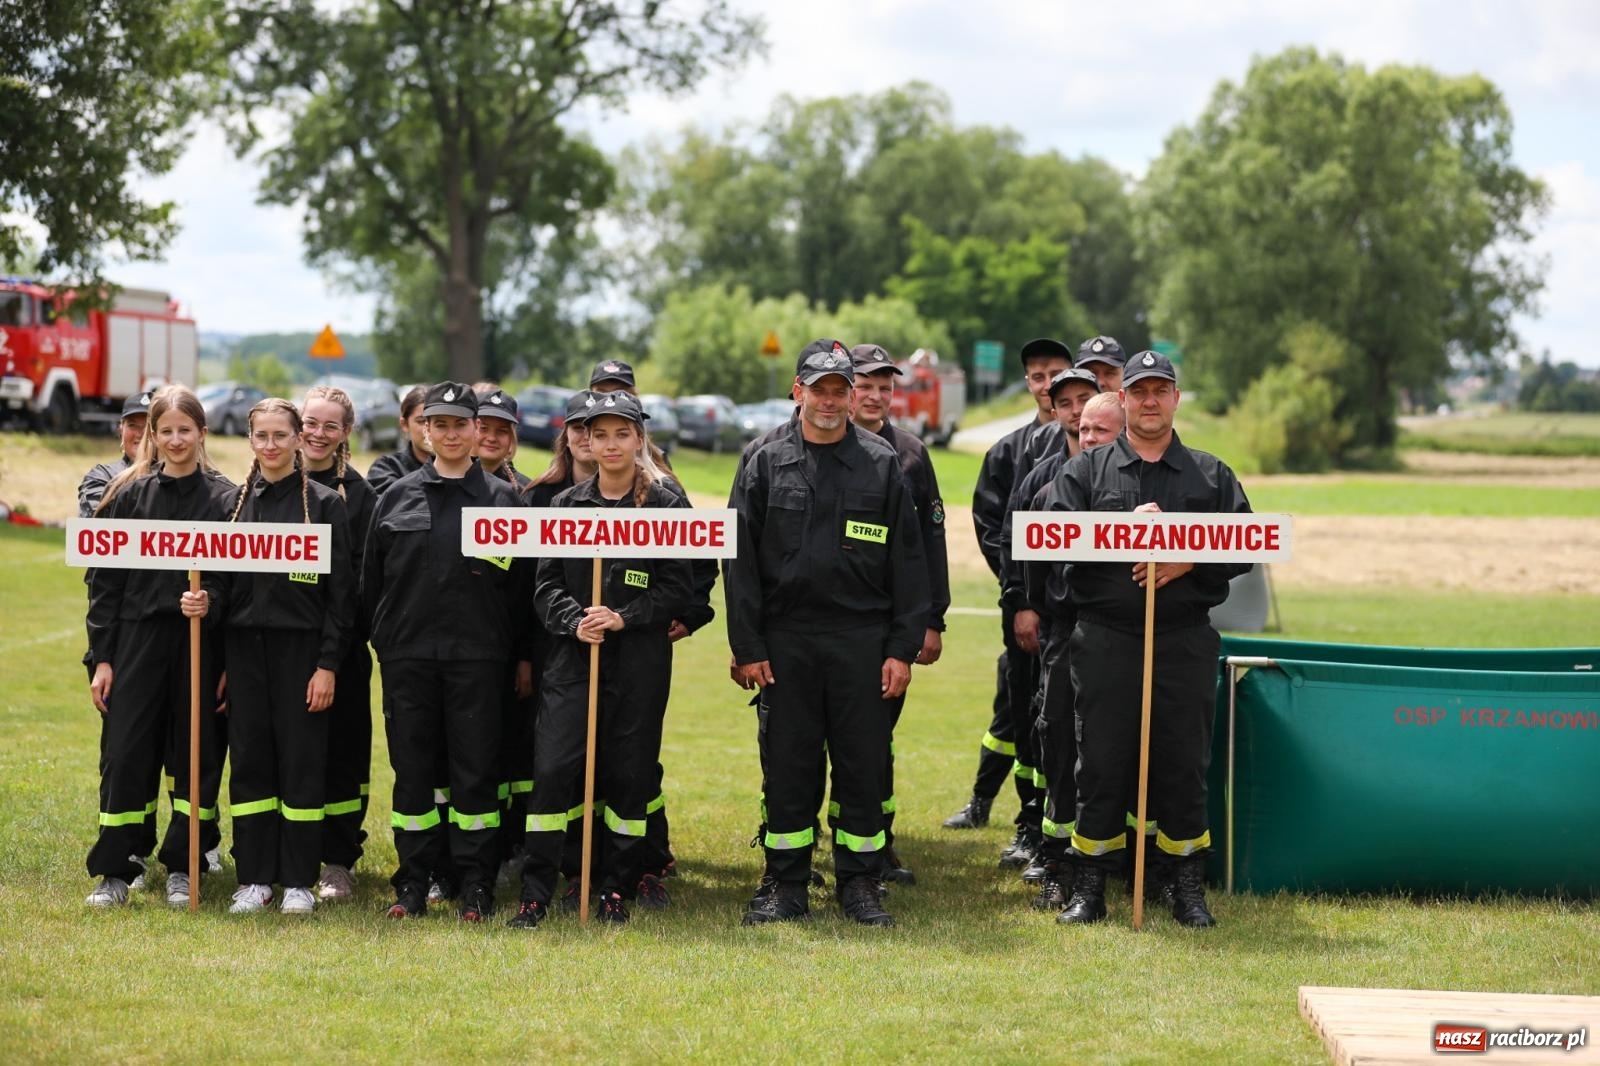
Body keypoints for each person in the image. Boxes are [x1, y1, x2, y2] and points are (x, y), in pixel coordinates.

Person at [1045, 351, 1251, 928]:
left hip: (1183, 640)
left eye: (1161, 390)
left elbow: (1247, 547)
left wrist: (1188, 558)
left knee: (1183, 762)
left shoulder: (1211, 475)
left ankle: (1184, 885)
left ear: (1176, 398)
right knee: (1102, 761)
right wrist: (1123, 533)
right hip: (1106, 639)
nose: (1151, 401)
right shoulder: (1085, 473)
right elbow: (1054, 537)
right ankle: (1089, 885)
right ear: (1124, 399)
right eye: (1140, 392)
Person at [728, 339, 929, 927]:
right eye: (819, 389)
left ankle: (860, 884)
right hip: (786, 640)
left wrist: (900, 649)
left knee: (862, 764)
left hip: (861, 640)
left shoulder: (880, 461)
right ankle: (785, 882)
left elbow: (908, 562)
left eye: (841, 390)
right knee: (788, 764)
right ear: (798, 391)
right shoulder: (762, 459)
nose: (831, 401)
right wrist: (748, 647)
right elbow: (738, 563)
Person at [510, 392, 692, 928]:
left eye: (621, 434)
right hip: (571, 659)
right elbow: (543, 585)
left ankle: (616, 885)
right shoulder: (567, 505)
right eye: (599, 434)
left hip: (638, 660)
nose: (609, 445)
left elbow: (678, 589)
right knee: (553, 769)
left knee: (629, 773)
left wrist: (624, 617)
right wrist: (576, 619)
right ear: (584, 440)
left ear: (639, 438)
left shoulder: (665, 505)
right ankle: (537, 891)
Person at [361, 382, 532, 922]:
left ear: (476, 431)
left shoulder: (504, 501)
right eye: (441, 425)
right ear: (424, 430)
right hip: (408, 659)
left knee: (475, 773)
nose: (452, 434)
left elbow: (522, 589)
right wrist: (386, 641)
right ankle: (413, 882)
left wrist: (518, 654)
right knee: (413, 774)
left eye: (462, 424)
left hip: (479, 659)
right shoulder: (396, 495)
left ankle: (476, 884)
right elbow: (371, 583)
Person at [84, 385, 236, 907]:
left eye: (185, 430)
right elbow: (104, 582)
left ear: (202, 434)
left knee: (195, 754)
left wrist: (209, 601)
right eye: (165, 431)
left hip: (198, 644)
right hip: (136, 642)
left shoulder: (225, 499)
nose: (175, 440)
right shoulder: (128, 495)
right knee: (126, 754)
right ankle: (118, 869)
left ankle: (184, 864)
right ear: (152, 435)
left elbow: (237, 582)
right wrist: (101, 657)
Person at [221, 399, 355, 915]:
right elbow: (222, 586)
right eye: (262, 436)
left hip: (302, 654)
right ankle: (255, 878)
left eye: (281, 435)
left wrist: (327, 665)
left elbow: (342, 597)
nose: (271, 445)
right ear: (250, 441)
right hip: (244, 652)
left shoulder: (324, 504)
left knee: (301, 763)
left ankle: (299, 879)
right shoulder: (234, 505)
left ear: (299, 439)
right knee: (251, 762)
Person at [945, 338, 1072, 877]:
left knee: (1063, 723)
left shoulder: (1103, 446)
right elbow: (995, 532)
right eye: (1039, 375)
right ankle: (1022, 820)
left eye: (1057, 375)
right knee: (1022, 715)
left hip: (1082, 617)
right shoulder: (1010, 451)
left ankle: (1061, 832)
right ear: (1029, 383)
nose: (1047, 384)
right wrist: (1023, 597)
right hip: (1024, 611)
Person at [845, 342, 950, 884]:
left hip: (888, 625)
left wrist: (932, 619)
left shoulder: (909, 453)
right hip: (820, 626)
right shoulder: (816, 447)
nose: (877, 395)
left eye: (886, 387)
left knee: (874, 739)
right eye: (866, 385)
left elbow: (930, 540)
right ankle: (805, 844)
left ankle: (876, 842)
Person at [298, 384, 378, 901]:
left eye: (330, 425)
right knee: (292, 754)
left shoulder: (361, 495)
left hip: (342, 650)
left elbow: (363, 583)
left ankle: (338, 861)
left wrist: (337, 648)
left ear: (346, 432)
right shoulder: (269, 484)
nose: (318, 434)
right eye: (310, 422)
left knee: (342, 755)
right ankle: (288, 854)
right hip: (282, 646)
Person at [78, 391, 151, 517]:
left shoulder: (174, 476)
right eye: (132, 425)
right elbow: (95, 517)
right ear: (121, 430)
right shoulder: (102, 476)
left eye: (148, 426)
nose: (140, 433)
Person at [366, 385, 431, 495]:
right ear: (404, 424)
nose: (430, 428)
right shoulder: (387, 469)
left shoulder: (463, 468)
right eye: (421, 421)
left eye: (439, 422)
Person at [473, 386, 531, 490]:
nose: (491, 438)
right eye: (484, 428)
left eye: (501, 431)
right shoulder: (449, 479)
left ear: (511, 437)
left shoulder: (525, 491)